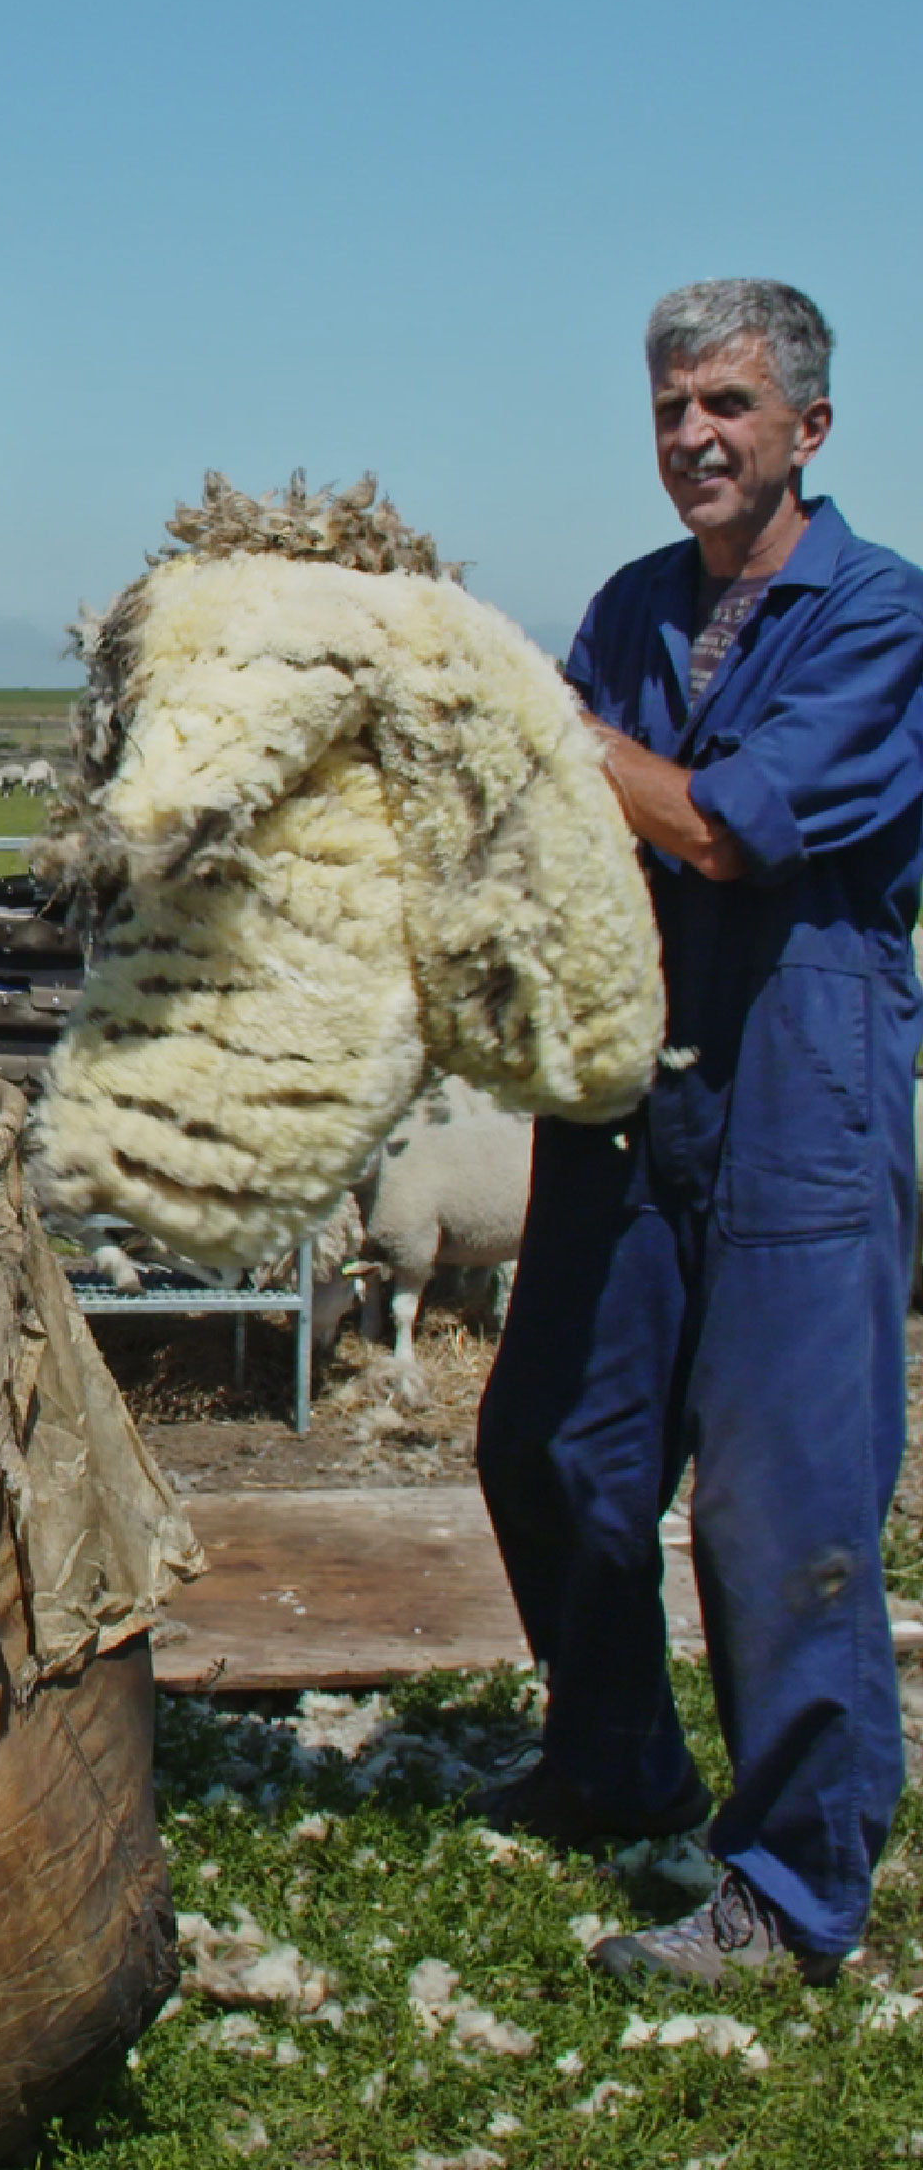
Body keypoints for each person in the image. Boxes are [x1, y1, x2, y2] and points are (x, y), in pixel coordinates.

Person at [474, 280, 923, 1990]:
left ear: (808, 428)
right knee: (552, 1449)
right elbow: (556, 825)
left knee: (775, 1503)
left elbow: (725, 833)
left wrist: (522, 709)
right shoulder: (634, 607)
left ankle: (800, 1891)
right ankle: (614, 1758)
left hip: (800, 1099)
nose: (691, 439)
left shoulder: (882, 619)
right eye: (669, 410)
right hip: (627, 1090)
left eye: (727, 407)